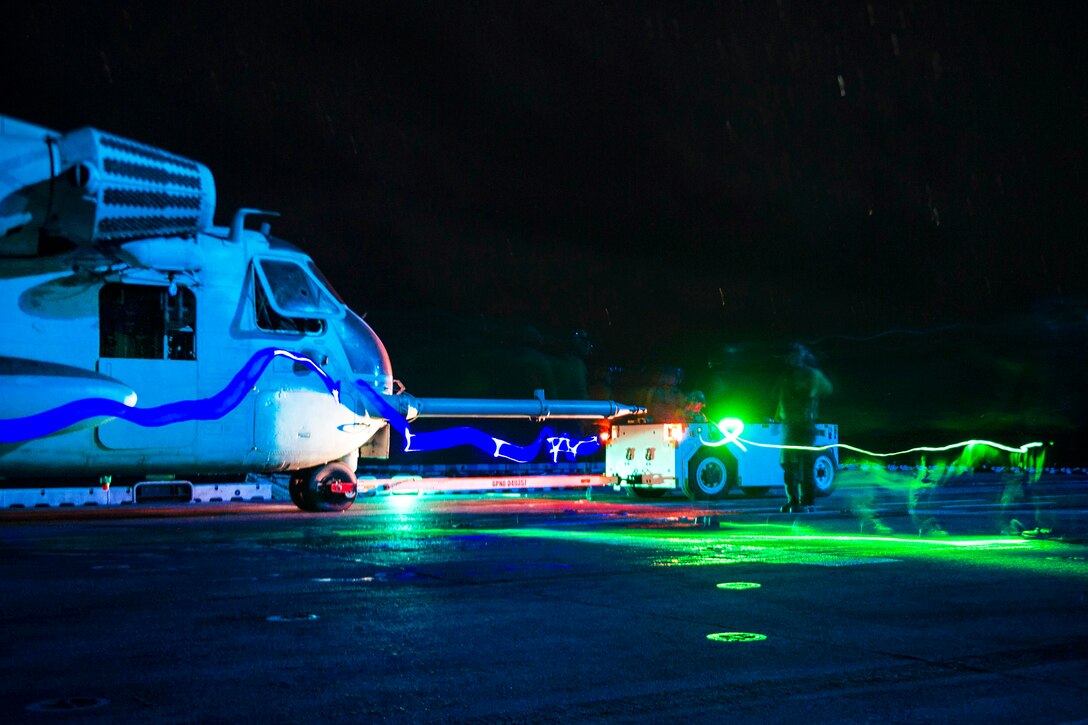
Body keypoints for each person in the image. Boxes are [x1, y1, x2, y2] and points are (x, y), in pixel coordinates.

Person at [774, 343, 833, 513]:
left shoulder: (810, 374)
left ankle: (807, 502)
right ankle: (793, 501)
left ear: (802, 356)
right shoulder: (785, 376)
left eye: (796, 355)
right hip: (789, 425)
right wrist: (777, 418)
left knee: (805, 464)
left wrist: (811, 395)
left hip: (804, 425)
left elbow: (826, 388)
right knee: (788, 464)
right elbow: (782, 399)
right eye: (790, 356)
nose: (792, 359)